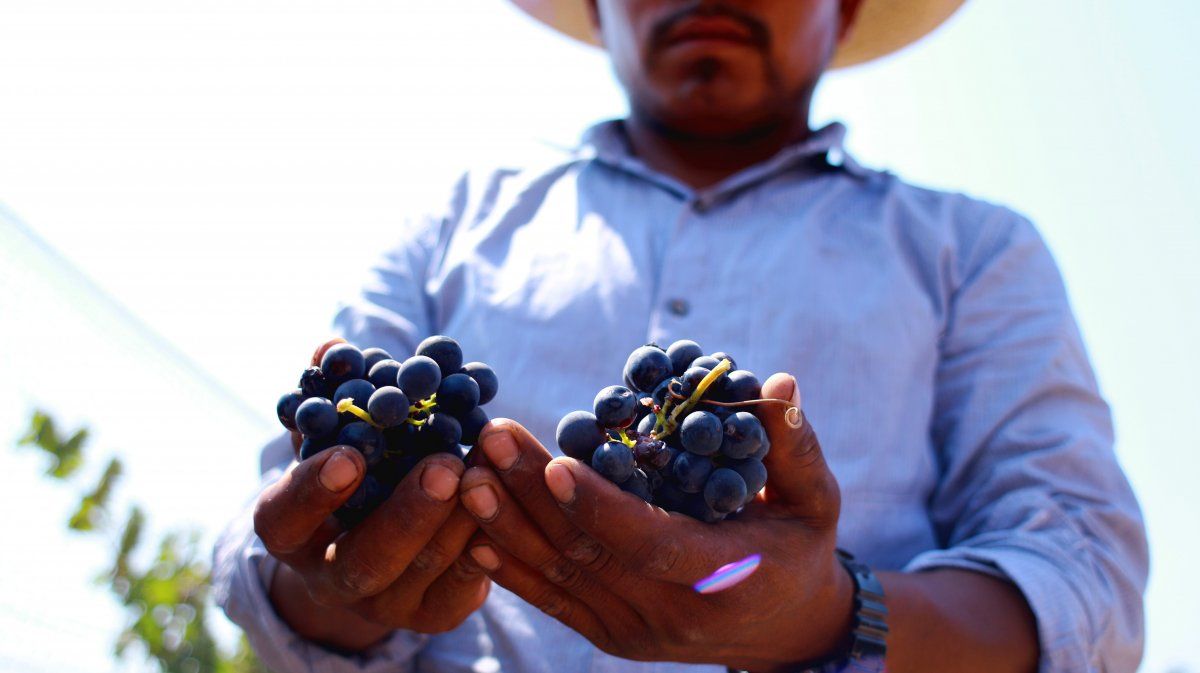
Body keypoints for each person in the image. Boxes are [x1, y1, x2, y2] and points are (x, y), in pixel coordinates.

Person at [212, 1, 1149, 671]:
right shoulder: (452, 224)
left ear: (848, 11)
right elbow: (271, 543)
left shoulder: (973, 251)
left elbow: (1085, 582)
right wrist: (335, 591)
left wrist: (831, 616)